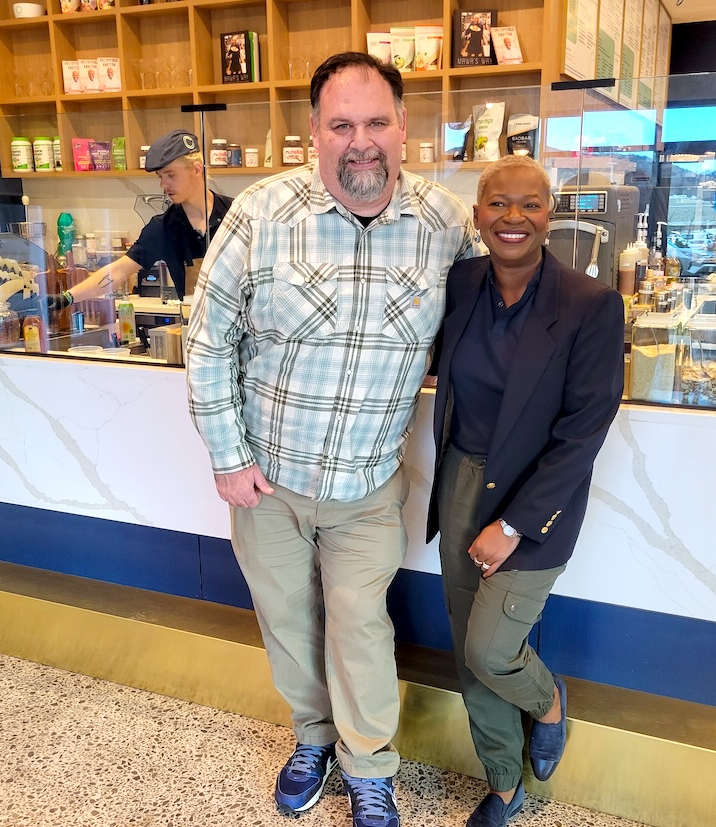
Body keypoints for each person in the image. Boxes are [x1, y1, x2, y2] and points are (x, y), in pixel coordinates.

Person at [185, 52, 475, 827]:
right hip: (268, 482)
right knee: (286, 620)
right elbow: (208, 340)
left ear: (403, 126)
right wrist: (227, 455)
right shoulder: (260, 213)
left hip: (369, 484)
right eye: (341, 124)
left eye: (376, 122)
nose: (361, 141)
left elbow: (490, 333)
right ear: (312, 131)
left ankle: (369, 765)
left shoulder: (447, 225)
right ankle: (312, 738)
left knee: (360, 626)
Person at [426, 155, 625, 827]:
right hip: (460, 476)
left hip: (538, 495)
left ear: (551, 214)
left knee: (491, 648)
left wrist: (513, 524)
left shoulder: (590, 305)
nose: (513, 217)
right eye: (498, 204)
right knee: (465, 648)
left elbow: (583, 432)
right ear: (477, 213)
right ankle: (505, 781)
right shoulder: (459, 283)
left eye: (530, 204)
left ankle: (547, 702)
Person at [62, 129, 231, 305]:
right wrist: (67, 297)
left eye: (171, 175)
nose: (163, 184)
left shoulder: (237, 213)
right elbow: (120, 271)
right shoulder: (164, 228)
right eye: (160, 176)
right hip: (197, 328)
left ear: (196, 169)